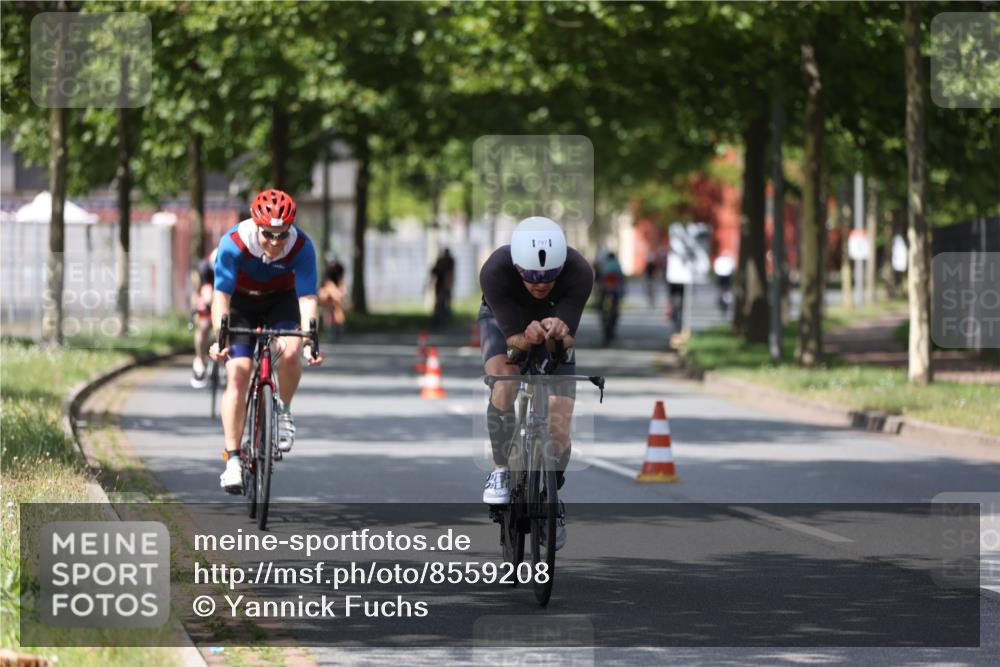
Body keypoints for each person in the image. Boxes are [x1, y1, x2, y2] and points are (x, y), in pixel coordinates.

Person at [478, 216, 594, 550]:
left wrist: (558, 335)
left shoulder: (579, 272)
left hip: (553, 322)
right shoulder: (495, 271)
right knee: (506, 379)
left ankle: (550, 499)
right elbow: (514, 347)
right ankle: (500, 468)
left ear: (561, 268)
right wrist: (526, 339)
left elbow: (562, 349)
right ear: (517, 268)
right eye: (531, 277)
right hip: (506, 325)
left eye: (549, 278)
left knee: (560, 425)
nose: (540, 284)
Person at [209, 189, 325, 493]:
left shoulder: (301, 247)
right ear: (254, 224)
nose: (275, 242)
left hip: (281, 302)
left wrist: (311, 341)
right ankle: (232, 459)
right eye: (267, 234)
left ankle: (283, 409)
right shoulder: (233, 244)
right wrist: (219, 338)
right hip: (241, 305)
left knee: (291, 350)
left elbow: (307, 297)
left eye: (281, 235)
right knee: (239, 372)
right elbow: (220, 296)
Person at [190, 248, 217, 388]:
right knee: (204, 326)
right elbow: (206, 292)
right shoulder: (205, 268)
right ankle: (200, 360)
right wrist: (209, 304)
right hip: (210, 294)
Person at [595, 251, 625, 346]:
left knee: (602, 311)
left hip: (604, 292)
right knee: (615, 311)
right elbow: (621, 281)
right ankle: (611, 329)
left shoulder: (604, 266)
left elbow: (598, 280)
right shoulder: (617, 266)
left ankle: (605, 326)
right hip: (615, 292)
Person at [318, 258, 348, 341]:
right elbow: (327, 284)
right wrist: (334, 292)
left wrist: (341, 292)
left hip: (336, 292)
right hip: (327, 292)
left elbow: (341, 282)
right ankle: (328, 326)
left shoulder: (340, 269)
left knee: (338, 304)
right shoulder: (327, 271)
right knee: (328, 300)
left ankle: (338, 324)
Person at [430, 248, 456, 327]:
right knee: (440, 303)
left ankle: (442, 320)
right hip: (441, 285)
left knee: (443, 303)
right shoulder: (443, 262)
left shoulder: (448, 262)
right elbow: (434, 272)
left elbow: (449, 274)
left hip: (444, 285)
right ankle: (439, 320)